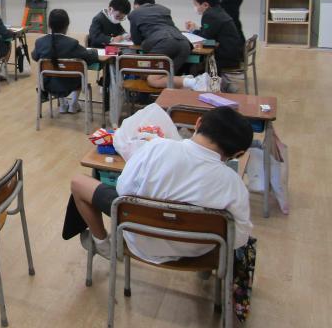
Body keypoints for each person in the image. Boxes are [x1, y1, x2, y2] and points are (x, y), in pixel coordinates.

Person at [68, 106, 253, 264]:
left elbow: (123, 190)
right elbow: (239, 238)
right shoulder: (233, 184)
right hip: (196, 251)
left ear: (198, 123)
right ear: (238, 153)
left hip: (140, 239)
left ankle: (102, 244)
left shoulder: (156, 147)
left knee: (78, 183)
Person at [147, 0, 244, 92]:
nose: (195, 8)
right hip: (233, 53)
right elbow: (209, 33)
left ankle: (196, 86)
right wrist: (196, 29)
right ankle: (208, 84)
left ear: (205, 5)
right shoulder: (218, 11)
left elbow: (206, 38)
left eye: (196, 5)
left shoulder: (210, 15)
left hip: (225, 57)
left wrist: (195, 32)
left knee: (191, 61)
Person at [32, 9, 99, 114]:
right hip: (71, 84)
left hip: (48, 84)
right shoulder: (72, 43)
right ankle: (73, 104)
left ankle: (63, 105)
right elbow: (89, 57)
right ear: (67, 25)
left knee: (57, 73)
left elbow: (35, 56)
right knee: (78, 72)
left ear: (49, 25)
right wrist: (94, 51)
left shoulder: (40, 42)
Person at [127, 0, 192, 74]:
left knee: (148, 75)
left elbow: (137, 41)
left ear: (136, 5)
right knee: (169, 76)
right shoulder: (164, 10)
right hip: (184, 43)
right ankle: (190, 81)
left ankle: (191, 81)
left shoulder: (135, 13)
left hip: (164, 43)